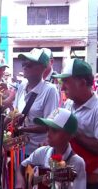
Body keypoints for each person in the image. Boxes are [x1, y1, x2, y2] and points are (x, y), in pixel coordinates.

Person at [53, 58, 98, 189]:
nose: (62, 87)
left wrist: (72, 132)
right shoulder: (67, 104)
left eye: (66, 81)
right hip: (67, 179)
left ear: (83, 83)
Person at [16, 108, 86, 189]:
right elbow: (21, 166)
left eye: (54, 130)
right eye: (48, 129)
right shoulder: (41, 152)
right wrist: (20, 180)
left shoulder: (77, 163)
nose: (48, 134)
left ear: (69, 135)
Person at [13, 48, 59, 156]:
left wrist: (22, 129)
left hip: (37, 152)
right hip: (18, 150)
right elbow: (15, 112)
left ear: (42, 68)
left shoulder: (50, 90)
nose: (24, 67)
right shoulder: (22, 86)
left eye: (29, 65)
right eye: (23, 64)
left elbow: (49, 125)